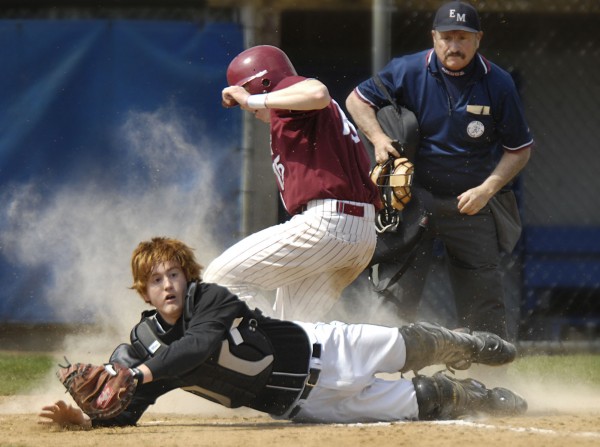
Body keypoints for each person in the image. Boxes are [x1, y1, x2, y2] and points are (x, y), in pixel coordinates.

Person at [39, 237, 526, 428]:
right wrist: (85, 420)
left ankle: (466, 344)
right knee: (424, 402)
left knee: (411, 346)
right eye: (156, 280)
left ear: (188, 275)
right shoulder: (143, 350)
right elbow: (128, 408)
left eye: (174, 274)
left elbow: (200, 345)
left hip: (325, 349)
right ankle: (470, 394)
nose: (168, 285)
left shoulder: (210, 298)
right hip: (307, 406)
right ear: (144, 293)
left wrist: (138, 374)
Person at [345, 1, 533, 339]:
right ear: (434, 37)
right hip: (412, 197)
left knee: (483, 296)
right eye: (447, 37)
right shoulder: (407, 70)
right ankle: (387, 368)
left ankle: (487, 373)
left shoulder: (498, 83)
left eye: (463, 37)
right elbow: (357, 100)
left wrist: (486, 190)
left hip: (470, 202)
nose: (455, 46)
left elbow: (519, 150)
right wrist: (378, 138)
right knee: (395, 289)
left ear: (478, 40)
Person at [202, 45, 380, 321]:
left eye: (244, 94)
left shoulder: (292, 91)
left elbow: (318, 93)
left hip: (329, 224)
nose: (244, 107)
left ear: (262, 83)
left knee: (218, 278)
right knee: (296, 332)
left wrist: (253, 101)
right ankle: (419, 344)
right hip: (356, 232)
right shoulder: (297, 114)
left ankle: (255, 349)